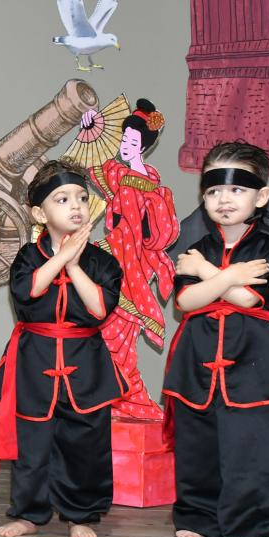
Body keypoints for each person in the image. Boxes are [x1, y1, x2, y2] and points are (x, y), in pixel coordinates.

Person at [0, 160, 128, 537]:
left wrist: (75, 265)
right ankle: (30, 514)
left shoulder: (102, 262)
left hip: (85, 363)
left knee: (85, 444)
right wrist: (61, 257)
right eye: (62, 199)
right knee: (32, 443)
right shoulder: (28, 257)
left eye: (81, 197)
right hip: (35, 362)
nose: (75, 206)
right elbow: (27, 291)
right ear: (39, 214)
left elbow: (99, 309)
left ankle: (80, 514)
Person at [162, 141, 269, 537]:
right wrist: (226, 276)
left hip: (249, 361)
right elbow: (187, 302)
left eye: (237, 189)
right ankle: (198, 516)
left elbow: (248, 300)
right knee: (197, 443)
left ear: (262, 196)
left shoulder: (268, 249)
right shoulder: (195, 251)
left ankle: (256, 524)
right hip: (197, 359)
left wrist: (208, 274)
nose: (224, 199)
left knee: (251, 445)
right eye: (213, 190)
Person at [87, 98, 178, 419]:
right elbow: (92, 162)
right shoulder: (118, 175)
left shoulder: (157, 192)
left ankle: (125, 397)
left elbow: (161, 236)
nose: (125, 145)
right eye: (124, 138)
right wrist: (91, 127)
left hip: (135, 269)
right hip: (110, 261)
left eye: (131, 140)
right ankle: (107, 398)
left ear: (144, 145)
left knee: (119, 337)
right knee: (100, 332)